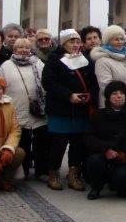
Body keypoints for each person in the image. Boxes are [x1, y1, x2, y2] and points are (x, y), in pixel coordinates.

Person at [41, 29, 98, 191]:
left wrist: (90, 95)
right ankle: (53, 174)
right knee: (58, 143)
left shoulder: (85, 59)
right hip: (61, 109)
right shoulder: (54, 58)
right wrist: (68, 95)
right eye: (71, 41)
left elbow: (94, 81)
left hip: (81, 108)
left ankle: (74, 174)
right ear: (64, 43)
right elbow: (48, 82)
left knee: (77, 143)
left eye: (78, 41)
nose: (75, 45)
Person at [84, 81, 126, 200]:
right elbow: (89, 138)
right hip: (103, 155)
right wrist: (106, 149)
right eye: (114, 93)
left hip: (125, 159)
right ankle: (96, 187)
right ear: (108, 97)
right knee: (94, 161)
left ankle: (119, 185)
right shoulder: (98, 115)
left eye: (121, 93)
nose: (118, 96)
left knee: (121, 181)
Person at [0, 38, 48, 183]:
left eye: (27, 47)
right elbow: (0, 87)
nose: (24, 50)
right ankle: (23, 170)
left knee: (41, 144)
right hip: (17, 110)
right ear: (14, 49)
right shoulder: (6, 66)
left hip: (38, 111)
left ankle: (41, 171)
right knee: (22, 143)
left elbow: (45, 83)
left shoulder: (38, 63)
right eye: (20, 47)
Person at [91, 25, 126, 110]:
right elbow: (106, 86)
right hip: (112, 107)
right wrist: (123, 101)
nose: (119, 41)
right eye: (116, 39)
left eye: (122, 39)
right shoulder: (102, 60)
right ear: (108, 41)